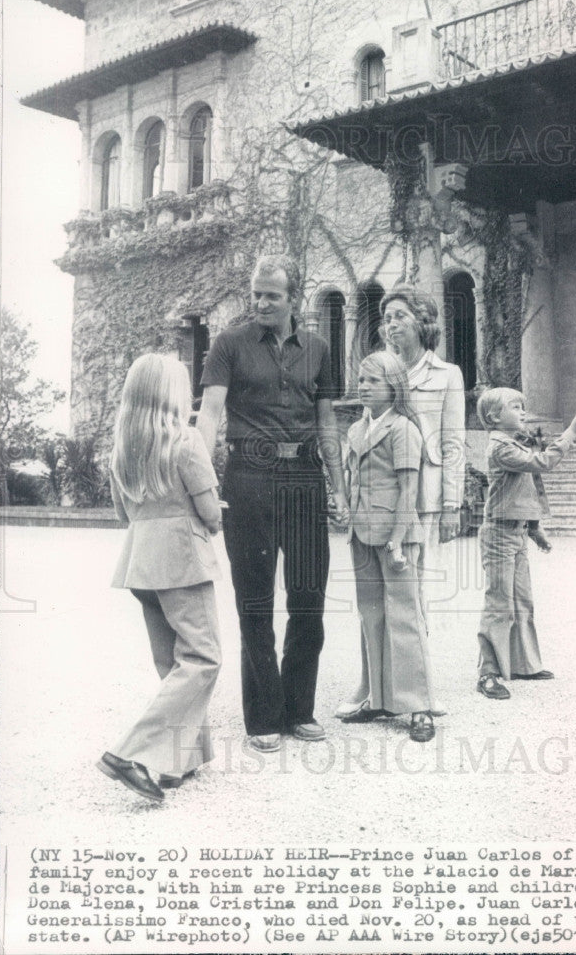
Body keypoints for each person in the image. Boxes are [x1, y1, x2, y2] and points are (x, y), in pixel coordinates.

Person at [196, 254, 347, 755]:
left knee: (308, 599)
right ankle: (263, 715)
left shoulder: (321, 349)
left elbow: (328, 423)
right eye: (256, 294)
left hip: (306, 477)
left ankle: (300, 709)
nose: (260, 302)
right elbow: (210, 415)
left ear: (293, 300)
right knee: (254, 601)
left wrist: (339, 488)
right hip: (249, 476)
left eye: (271, 296)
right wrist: (200, 480)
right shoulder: (228, 345)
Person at [336, 286, 464, 719]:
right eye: (386, 317)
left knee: (409, 596)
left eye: (399, 317)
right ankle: (373, 685)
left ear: (422, 322)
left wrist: (452, 503)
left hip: (419, 499)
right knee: (372, 600)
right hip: (373, 502)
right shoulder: (379, 372)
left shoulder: (446, 374)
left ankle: (414, 693)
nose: (389, 324)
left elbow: (453, 443)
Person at [98, 353, 222, 802]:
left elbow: (121, 513)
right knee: (203, 658)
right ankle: (128, 752)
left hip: (140, 561)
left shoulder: (122, 447)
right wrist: (210, 518)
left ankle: (181, 760)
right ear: (172, 394)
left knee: (172, 661)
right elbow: (210, 513)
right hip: (182, 558)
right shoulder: (186, 442)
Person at [340, 351, 436, 742]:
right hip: (363, 533)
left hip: (396, 536)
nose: (363, 386)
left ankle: (419, 707)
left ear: (393, 387)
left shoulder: (403, 429)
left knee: (404, 618)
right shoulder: (356, 430)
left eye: (373, 381)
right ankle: (378, 698)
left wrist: (397, 539)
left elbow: (409, 489)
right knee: (372, 615)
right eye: (361, 380)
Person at [475, 388, 576, 700]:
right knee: (499, 604)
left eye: (524, 406)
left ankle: (523, 665)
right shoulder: (500, 447)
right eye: (515, 407)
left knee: (522, 603)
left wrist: (534, 528)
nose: (523, 412)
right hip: (499, 534)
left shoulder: (513, 442)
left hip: (515, 532)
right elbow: (542, 463)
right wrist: (571, 431)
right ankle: (487, 673)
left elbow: (526, 489)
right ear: (493, 417)